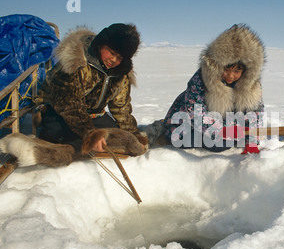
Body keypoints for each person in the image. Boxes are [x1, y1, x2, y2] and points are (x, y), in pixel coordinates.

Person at [37, 23, 148, 153]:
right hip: (58, 111)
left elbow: (121, 107)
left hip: (95, 115)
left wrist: (134, 134)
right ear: (101, 44)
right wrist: (89, 134)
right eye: (112, 53)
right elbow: (68, 105)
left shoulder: (120, 74)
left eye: (119, 57)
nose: (113, 60)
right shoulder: (76, 62)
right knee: (56, 136)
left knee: (118, 137)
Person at [163, 24, 265, 154]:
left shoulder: (251, 85)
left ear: (246, 70)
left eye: (237, 70)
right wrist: (220, 130)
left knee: (232, 138)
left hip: (221, 123)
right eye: (226, 69)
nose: (230, 75)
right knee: (221, 143)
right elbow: (196, 113)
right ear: (218, 65)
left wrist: (251, 141)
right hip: (183, 125)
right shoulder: (201, 79)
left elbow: (255, 114)